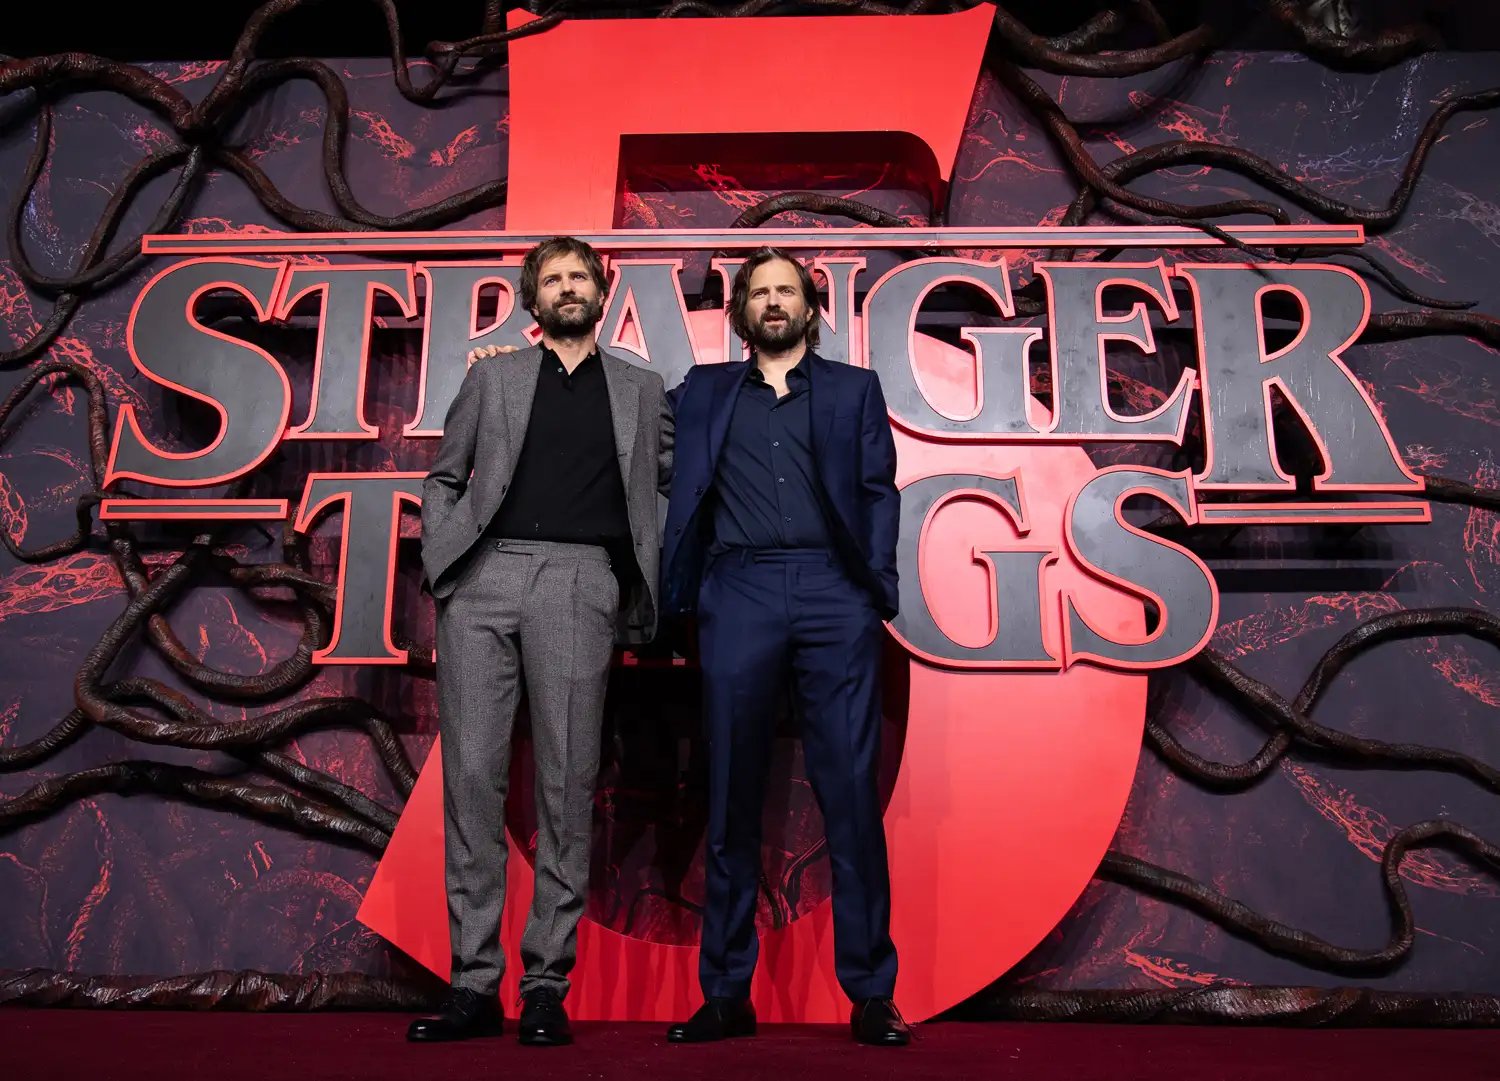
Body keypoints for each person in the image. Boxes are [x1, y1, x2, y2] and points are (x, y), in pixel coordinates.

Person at [410, 236, 673, 1046]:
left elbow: (663, 487)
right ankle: (474, 985)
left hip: (580, 581)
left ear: (602, 289)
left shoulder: (641, 386)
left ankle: (548, 984)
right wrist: (446, 563)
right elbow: (445, 476)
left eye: (578, 275)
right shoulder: (493, 376)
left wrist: (633, 577)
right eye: (551, 277)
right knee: (474, 782)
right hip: (485, 577)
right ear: (532, 298)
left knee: (566, 785)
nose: (566, 287)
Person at [660, 247, 908, 1046]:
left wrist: (874, 587)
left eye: (786, 291)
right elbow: (610, 407)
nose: (773, 303)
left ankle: (872, 992)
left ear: (810, 306)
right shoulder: (701, 393)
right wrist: (507, 361)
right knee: (729, 791)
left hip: (834, 591)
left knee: (849, 794)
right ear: (741, 310)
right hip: (739, 591)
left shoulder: (852, 390)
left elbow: (877, 490)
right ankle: (727, 992)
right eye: (759, 291)